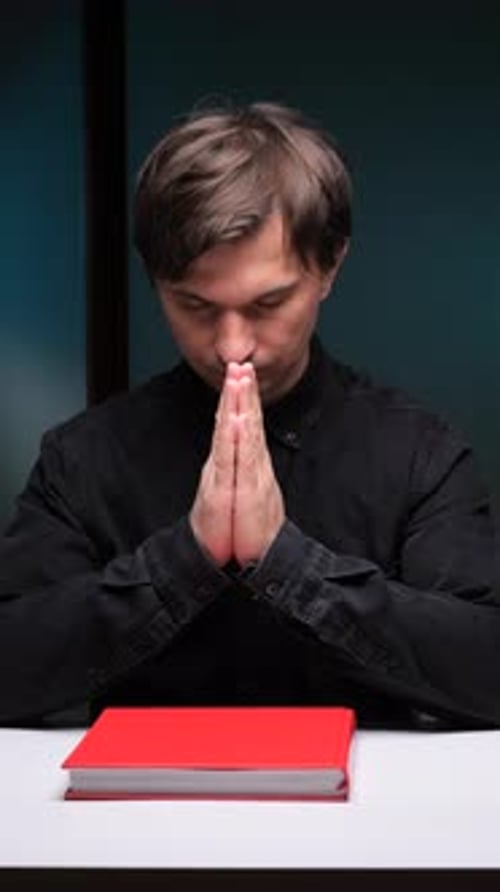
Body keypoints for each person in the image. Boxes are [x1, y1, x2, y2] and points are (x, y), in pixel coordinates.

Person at [1, 101, 499, 729]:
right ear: (156, 281)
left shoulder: (420, 452)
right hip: (138, 824)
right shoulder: (83, 458)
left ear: (330, 266)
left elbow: (488, 671)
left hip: (363, 825)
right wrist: (187, 556)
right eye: (195, 305)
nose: (233, 345)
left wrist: (287, 563)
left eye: (268, 303)